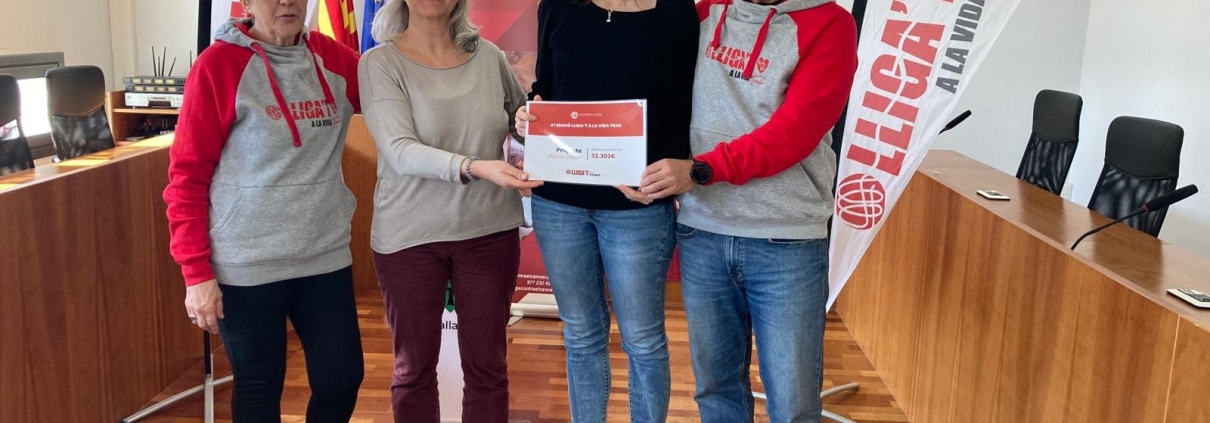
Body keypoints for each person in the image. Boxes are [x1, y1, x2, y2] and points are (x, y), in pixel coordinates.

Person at [635, 0, 857, 421]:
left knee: (792, 403)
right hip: (702, 231)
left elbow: (793, 134)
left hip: (785, 240)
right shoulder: (705, 12)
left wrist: (700, 170)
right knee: (715, 391)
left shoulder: (830, 23)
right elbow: (659, 89)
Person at [163, 0, 365, 420]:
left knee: (342, 378)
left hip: (323, 254)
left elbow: (399, 89)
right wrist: (196, 273)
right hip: (247, 263)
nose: (287, 1)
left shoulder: (334, 59)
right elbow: (186, 176)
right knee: (259, 386)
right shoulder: (218, 66)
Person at [513, 0, 697, 421]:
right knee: (581, 335)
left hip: (637, 205)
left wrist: (663, 175)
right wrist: (529, 115)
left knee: (644, 340)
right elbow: (547, 88)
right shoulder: (557, 5)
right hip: (559, 203)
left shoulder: (675, 10)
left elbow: (684, 102)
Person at [358, 0, 541, 421]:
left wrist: (526, 123)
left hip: (489, 232)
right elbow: (401, 150)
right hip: (410, 237)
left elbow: (519, 121)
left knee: (488, 370)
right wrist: (475, 167)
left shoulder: (490, 56)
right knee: (413, 371)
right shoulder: (379, 63)